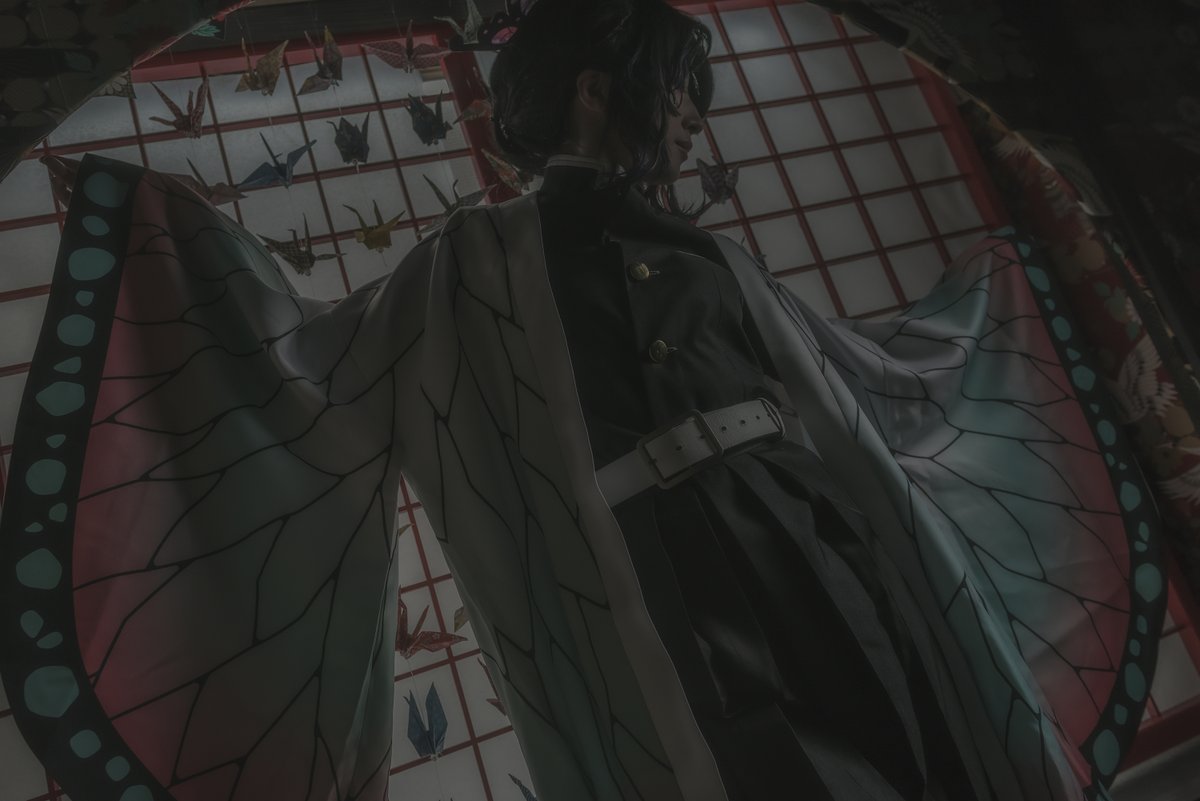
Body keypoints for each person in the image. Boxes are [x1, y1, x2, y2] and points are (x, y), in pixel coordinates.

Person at [0, 1, 1165, 800]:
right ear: (599, 92)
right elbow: (309, 381)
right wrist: (179, 259)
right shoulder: (465, 260)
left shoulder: (717, 255)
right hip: (640, 574)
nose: (691, 129)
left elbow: (858, 386)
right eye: (680, 102)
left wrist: (978, 311)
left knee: (898, 728)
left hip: (817, 540)